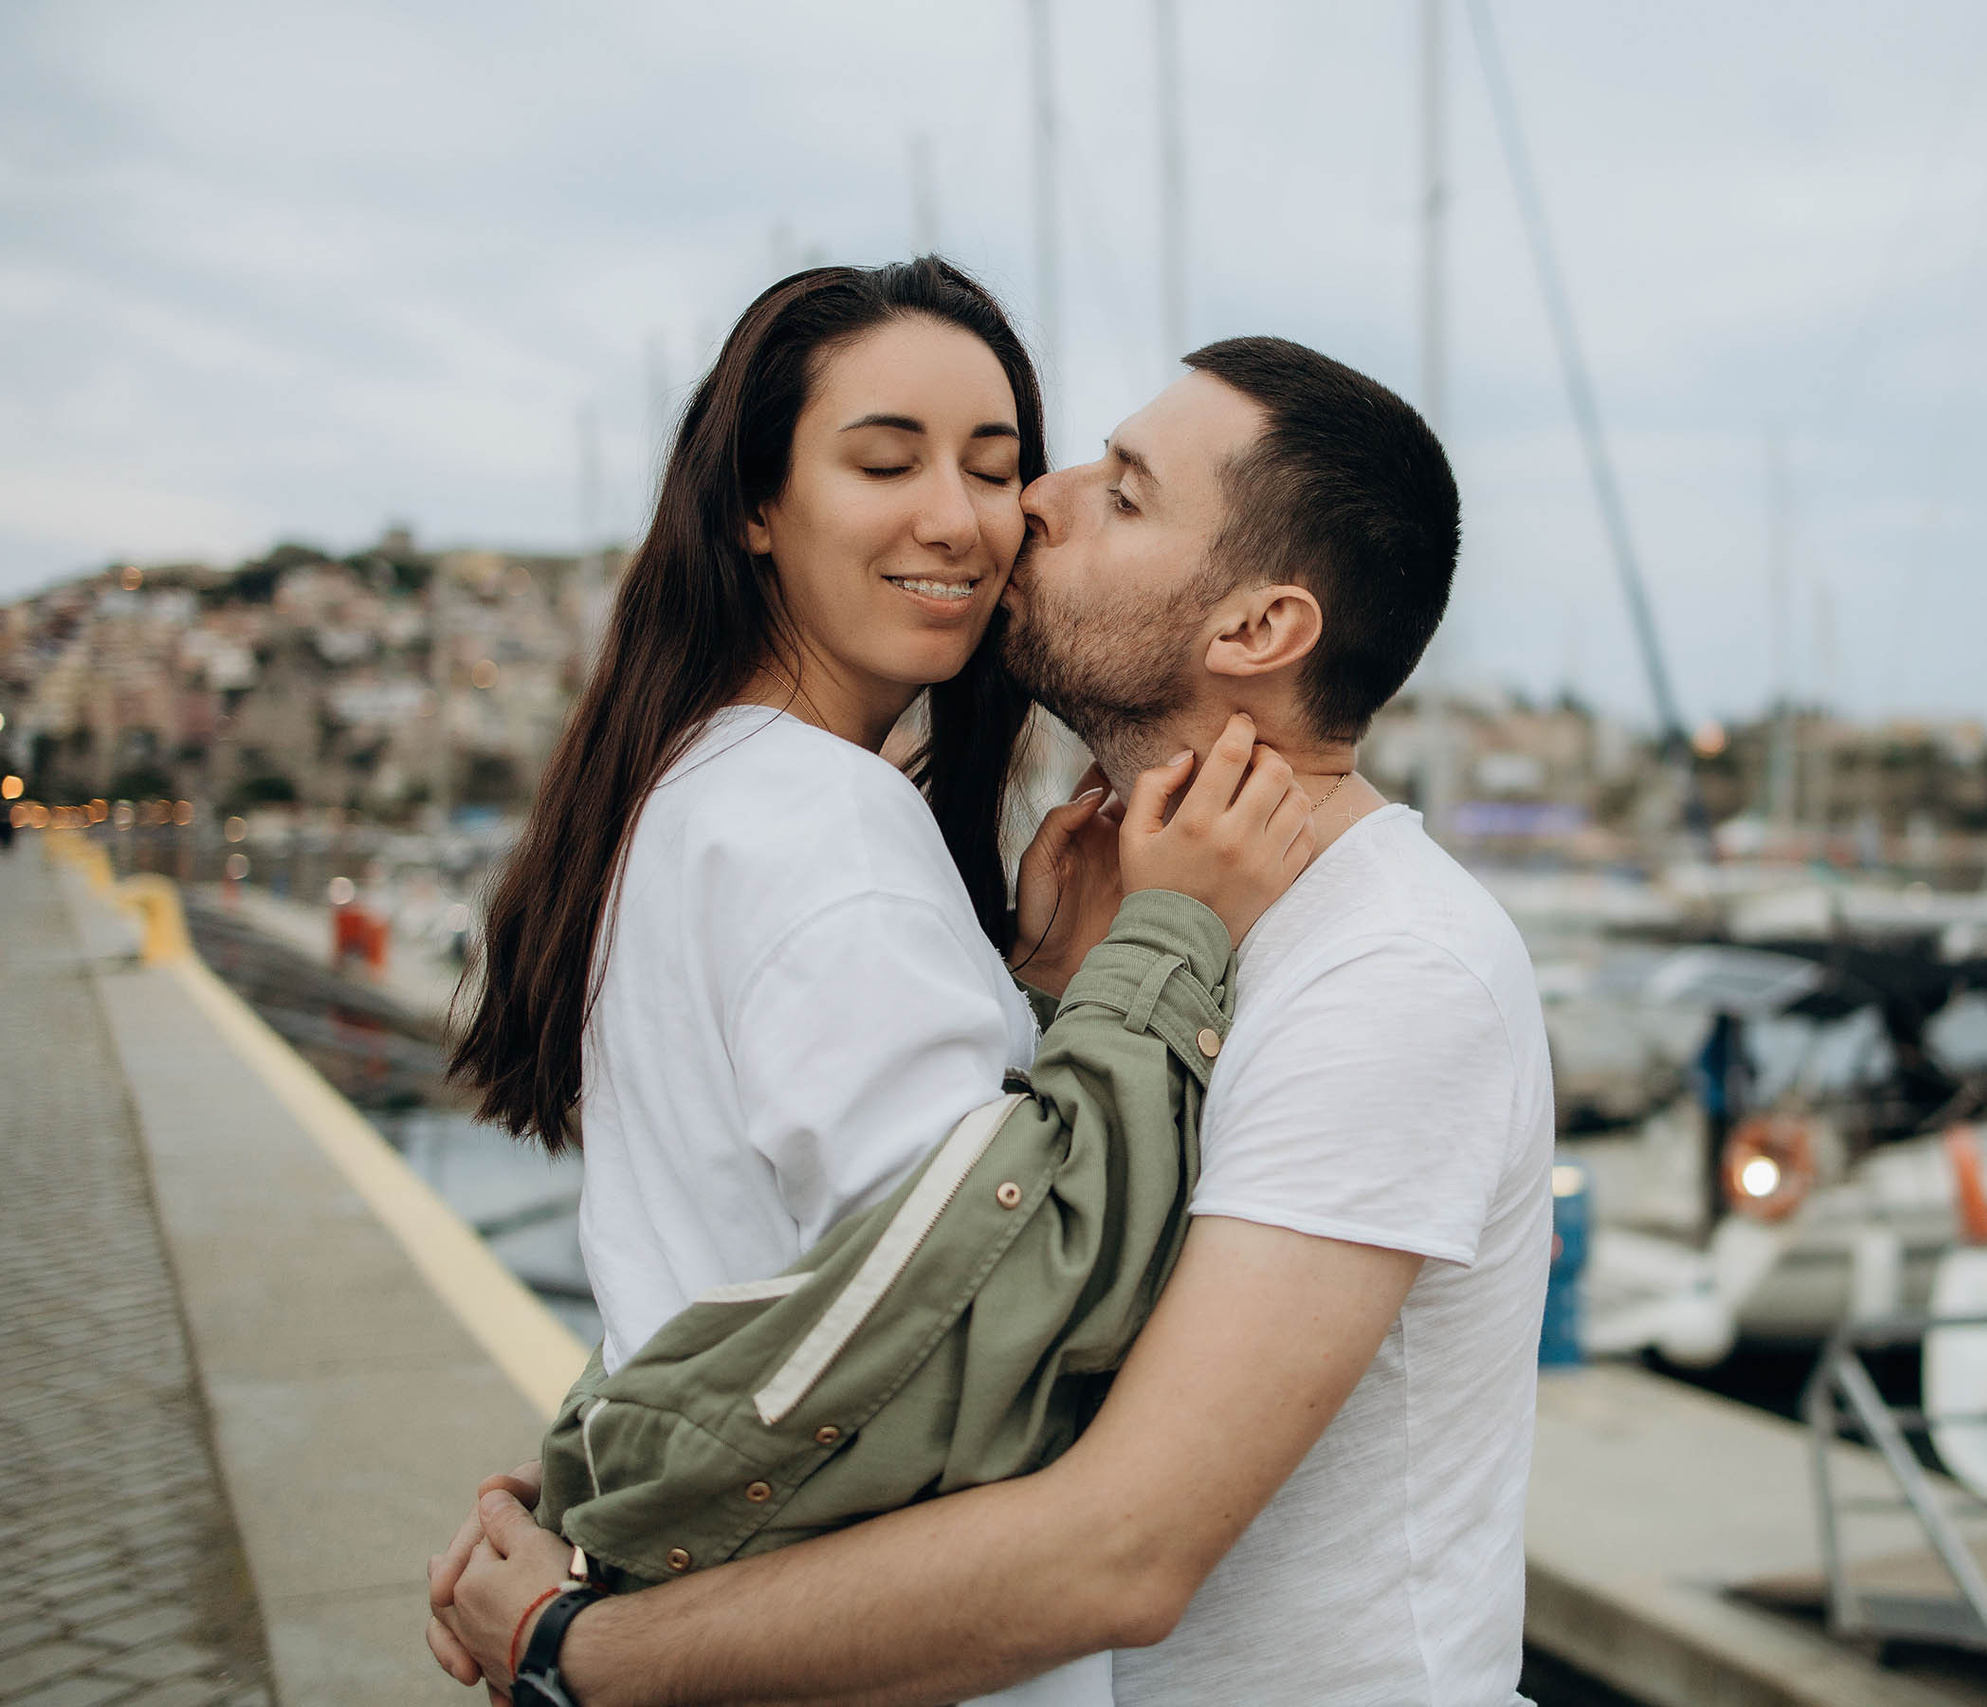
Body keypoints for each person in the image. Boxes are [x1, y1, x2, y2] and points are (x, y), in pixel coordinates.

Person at [435, 335, 1555, 1706]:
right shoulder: (1130, 916)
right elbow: (854, 1285)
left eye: (1123, 493)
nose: (1035, 500)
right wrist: (595, 1485)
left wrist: (576, 1642)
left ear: (1257, 630)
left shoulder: (1389, 970)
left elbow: (1118, 1549)